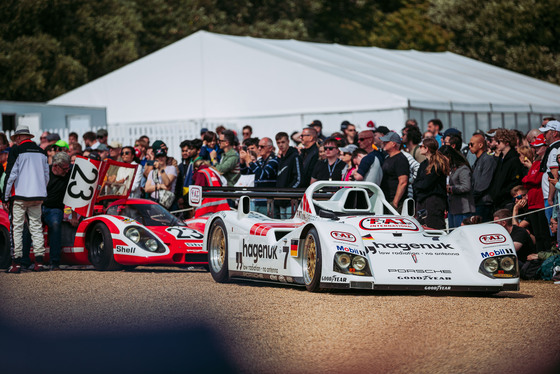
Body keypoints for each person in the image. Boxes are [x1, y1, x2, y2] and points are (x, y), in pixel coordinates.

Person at [3, 125, 49, 273]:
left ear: (18, 137)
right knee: (36, 226)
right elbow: (46, 176)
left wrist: (5, 196)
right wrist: (40, 188)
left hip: (20, 195)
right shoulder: (42, 152)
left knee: (17, 227)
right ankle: (39, 261)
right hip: (38, 194)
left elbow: (10, 175)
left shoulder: (16, 150)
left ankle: (16, 263)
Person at [42, 152, 77, 270]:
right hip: (38, 206)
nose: (67, 171)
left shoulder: (69, 173)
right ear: (55, 166)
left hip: (55, 208)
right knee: (28, 227)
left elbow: (74, 195)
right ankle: (25, 262)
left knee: (56, 225)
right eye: (65, 169)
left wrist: (74, 216)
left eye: (68, 168)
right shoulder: (44, 171)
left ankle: (55, 262)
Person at [520, 137, 550, 252]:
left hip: (540, 202)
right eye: (534, 147)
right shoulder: (536, 162)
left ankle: (545, 257)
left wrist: (528, 179)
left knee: (543, 233)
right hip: (533, 203)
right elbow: (527, 181)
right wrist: (529, 179)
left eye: (539, 146)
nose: (535, 149)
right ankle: (540, 257)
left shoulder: (542, 162)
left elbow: (535, 180)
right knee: (537, 234)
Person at [412, 138, 448, 229]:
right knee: (422, 227)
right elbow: (417, 182)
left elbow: (426, 184)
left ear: (427, 148)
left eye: (421, 146)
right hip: (422, 200)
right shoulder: (423, 164)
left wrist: (417, 185)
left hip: (434, 202)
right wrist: (417, 185)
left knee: (434, 227)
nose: (419, 148)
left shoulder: (437, 164)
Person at [240, 137, 278, 215]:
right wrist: (242, 161)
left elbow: (263, 174)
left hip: (268, 203)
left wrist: (249, 160)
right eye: (259, 146)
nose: (259, 148)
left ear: (270, 148)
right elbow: (245, 172)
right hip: (257, 201)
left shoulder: (274, 160)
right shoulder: (260, 161)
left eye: (262, 147)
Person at [440, 145, 475, 229]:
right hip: (453, 209)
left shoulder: (463, 169)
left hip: (463, 209)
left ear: (449, 156)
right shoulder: (452, 169)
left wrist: (451, 188)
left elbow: (466, 186)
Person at [488, 129, 524, 210]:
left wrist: (501, 194)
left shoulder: (514, 159)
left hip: (507, 201)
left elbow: (515, 182)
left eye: (499, 141)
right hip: (497, 202)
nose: (496, 144)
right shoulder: (500, 158)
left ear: (507, 142)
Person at [468, 133, 497, 222]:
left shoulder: (488, 159)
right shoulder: (477, 161)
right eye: (469, 144)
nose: (469, 146)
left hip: (484, 203)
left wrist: (473, 197)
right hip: (476, 202)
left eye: (472, 144)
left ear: (480, 145)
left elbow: (484, 183)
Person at [275, 132, 303, 218]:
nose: (281, 145)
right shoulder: (281, 159)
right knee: (282, 227)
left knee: (291, 227)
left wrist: (289, 192)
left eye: (283, 142)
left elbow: (299, 178)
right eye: (278, 143)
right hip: (281, 200)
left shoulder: (295, 156)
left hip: (291, 200)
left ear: (288, 141)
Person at [379, 132, 409, 211]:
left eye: (386, 142)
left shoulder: (400, 159)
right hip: (386, 200)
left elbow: (403, 182)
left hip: (394, 203)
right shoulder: (388, 158)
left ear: (393, 144)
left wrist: (395, 202)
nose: (383, 143)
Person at [539, 120, 560, 225]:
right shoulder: (554, 148)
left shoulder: (554, 150)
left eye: (546, 133)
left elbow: (554, 174)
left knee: (553, 227)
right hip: (551, 196)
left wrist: (551, 198)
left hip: (551, 197)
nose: (544, 136)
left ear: (554, 133)